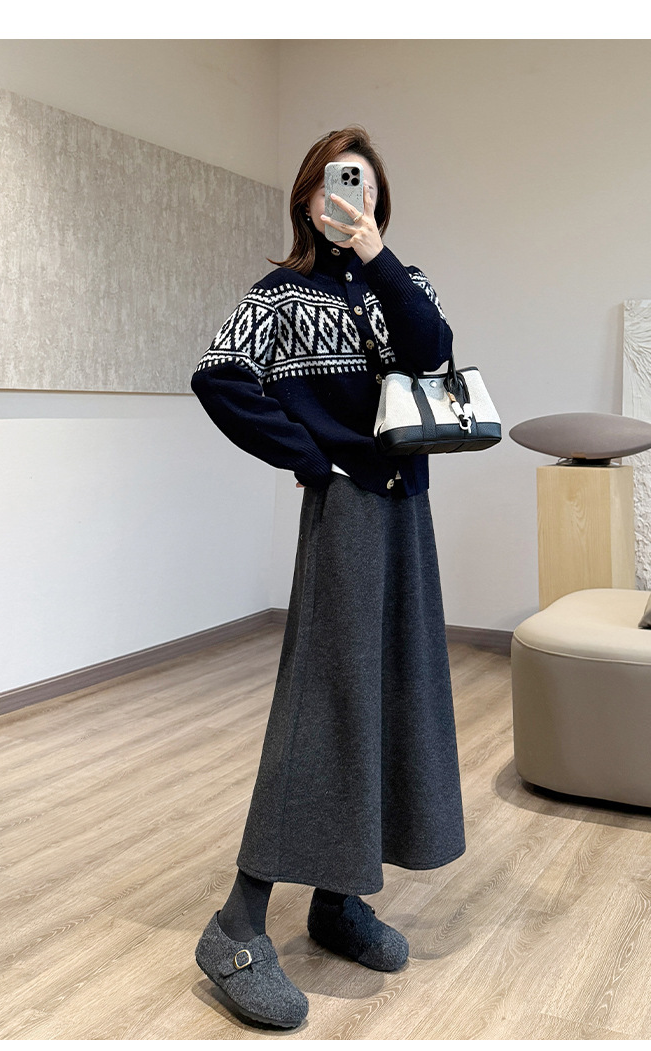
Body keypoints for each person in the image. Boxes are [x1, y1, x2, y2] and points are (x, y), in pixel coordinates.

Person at [191, 126, 465, 1031]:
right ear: (308, 200)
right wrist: (316, 461)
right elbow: (219, 377)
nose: (350, 200)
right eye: (335, 188)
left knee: (393, 693)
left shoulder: (402, 281)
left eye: (365, 189)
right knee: (326, 700)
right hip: (346, 511)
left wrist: (377, 257)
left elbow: (431, 351)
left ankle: (338, 896)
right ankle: (236, 924)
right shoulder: (279, 295)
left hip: (407, 512)